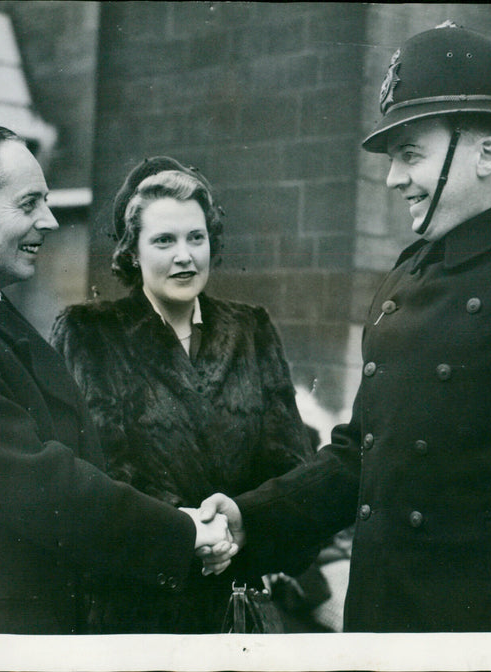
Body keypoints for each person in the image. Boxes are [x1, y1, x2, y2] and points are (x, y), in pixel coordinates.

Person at [199, 23, 491, 632]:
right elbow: (360, 456)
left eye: (411, 155)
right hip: (382, 622)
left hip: (486, 641)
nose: (392, 178)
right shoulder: (406, 276)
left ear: (487, 155)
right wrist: (253, 516)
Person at [0, 123, 232, 635]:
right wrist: (181, 532)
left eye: (47, 202)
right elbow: (36, 484)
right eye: (28, 203)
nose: (49, 220)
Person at [50, 157, 315, 633]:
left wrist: (241, 534)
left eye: (196, 237)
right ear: (132, 252)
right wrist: (188, 534)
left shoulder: (250, 329)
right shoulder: (90, 333)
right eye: (163, 241)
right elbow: (99, 471)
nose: (185, 256)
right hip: (134, 611)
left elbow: (290, 466)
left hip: (235, 607)